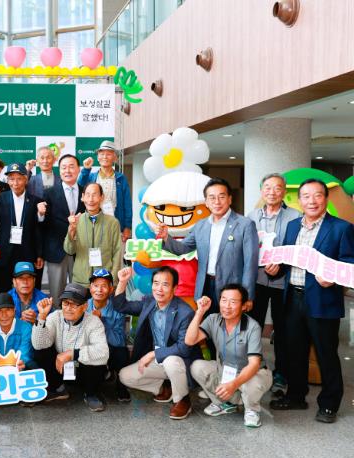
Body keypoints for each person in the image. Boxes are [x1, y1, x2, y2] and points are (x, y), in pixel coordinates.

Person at [268, 179, 354, 423]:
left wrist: (333, 278)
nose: (312, 201)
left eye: (317, 195)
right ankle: (296, 396)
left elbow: (349, 262)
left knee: (326, 353)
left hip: (323, 300)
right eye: (306, 196)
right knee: (295, 351)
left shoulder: (341, 228)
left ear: (325, 198)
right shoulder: (292, 226)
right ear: (299, 201)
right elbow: (286, 261)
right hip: (293, 298)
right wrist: (275, 269)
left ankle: (329, 404)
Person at [158, 177, 259, 313]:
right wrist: (166, 237)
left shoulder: (245, 225)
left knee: (229, 324)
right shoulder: (201, 225)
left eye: (221, 197)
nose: (217, 202)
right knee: (206, 324)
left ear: (230, 199)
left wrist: (247, 295)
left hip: (232, 289)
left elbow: (250, 263)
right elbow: (183, 248)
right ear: (206, 202)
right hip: (205, 286)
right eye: (212, 198)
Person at [113, 266, 199, 420]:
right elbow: (121, 306)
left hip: (179, 361)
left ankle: (182, 399)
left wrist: (153, 353)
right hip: (158, 360)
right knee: (125, 376)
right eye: (156, 283)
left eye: (165, 284)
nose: (159, 289)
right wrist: (123, 282)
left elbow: (184, 348)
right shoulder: (149, 302)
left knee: (171, 361)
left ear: (174, 288)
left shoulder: (185, 312)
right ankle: (164, 388)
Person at [185, 286, 271, 428]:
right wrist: (200, 312)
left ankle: (251, 409)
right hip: (226, 370)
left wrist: (233, 385)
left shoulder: (252, 327)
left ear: (244, 306)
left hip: (252, 373)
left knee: (253, 383)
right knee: (197, 367)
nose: (227, 306)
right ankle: (223, 403)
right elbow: (189, 340)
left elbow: (254, 364)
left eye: (233, 302)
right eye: (224, 300)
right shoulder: (213, 319)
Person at [246, 173, 300, 395]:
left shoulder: (295, 217)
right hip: (257, 281)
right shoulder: (252, 216)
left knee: (283, 329)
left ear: (284, 192)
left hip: (283, 283)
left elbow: (298, 249)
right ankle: (254, 366)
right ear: (262, 191)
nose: (272, 192)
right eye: (267, 187)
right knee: (253, 326)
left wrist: (281, 265)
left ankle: (281, 374)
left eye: (277, 188)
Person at [32, 284, 109, 412]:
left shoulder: (94, 322)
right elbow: (38, 344)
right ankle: (58, 388)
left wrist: (72, 354)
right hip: (61, 369)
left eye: (74, 304)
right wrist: (42, 317)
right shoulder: (55, 316)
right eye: (66, 303)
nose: (68, 308)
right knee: (40, 352)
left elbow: (103, 353)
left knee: (97, 361)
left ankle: (91, 393)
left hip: (82, 371)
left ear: (84, 306)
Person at [0, 162, 45, 293]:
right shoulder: (0, 198)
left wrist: (39, 254)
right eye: (11, 179)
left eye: (19, 179)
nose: (15, 183)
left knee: (28, 291)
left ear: (26, 179)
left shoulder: (36, 201)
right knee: (2, 291)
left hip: (28, 253)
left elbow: (39, 230)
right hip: (4, 252)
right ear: (7, 180)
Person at [40, 154, 85, 307]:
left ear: (78, 169)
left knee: (79, 293)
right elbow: (43, 223)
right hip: (56, 250)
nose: (68, 170)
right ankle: (56, 320)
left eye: (71, 166)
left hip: (80, 250)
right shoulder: (49, 193)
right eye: (64, 167)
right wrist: (40, 214)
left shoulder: (86, 193)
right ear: (59, 171)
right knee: (56, 295)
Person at [64, 182, 122, 287]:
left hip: (104, 282)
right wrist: (71, 229)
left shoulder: (113, 222)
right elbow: (69, 250)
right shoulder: (77, 220)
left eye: (94, 195)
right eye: (88, 195)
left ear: (102, 197)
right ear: (82, 197)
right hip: (80, 281)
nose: (91, 199)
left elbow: (117, 252)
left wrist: (112, 280)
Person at [86, 268, 130, 402]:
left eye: (104, 286)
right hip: (90, 349)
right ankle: (93, 387)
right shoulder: (83, 306)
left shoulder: (118, 308)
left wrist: (101, 323)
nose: (99, 290)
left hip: (111, 349)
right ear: (90, 288)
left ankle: (121, 385)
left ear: (111, 289)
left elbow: (119, 340)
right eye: (95, 285)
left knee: (122, 353)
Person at [78, 141, 132, 242]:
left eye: (108, 154)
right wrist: (86, 169)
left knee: (116, 251)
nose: (105, 157)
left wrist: (127, 227)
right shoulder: (91, 176)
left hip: (115, 223)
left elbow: (127, 204)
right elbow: (80, 183)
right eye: (102, 154)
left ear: (115, 158)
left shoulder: (121, 178)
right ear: (98, 157)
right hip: (94, 223)